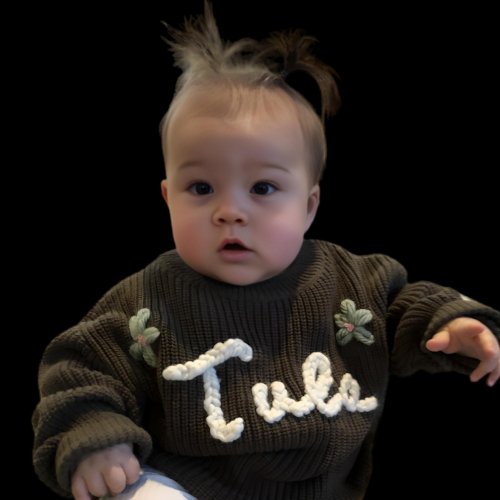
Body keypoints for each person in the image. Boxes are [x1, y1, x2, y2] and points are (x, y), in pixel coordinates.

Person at [31, 1, 500, 499]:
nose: (230, 212)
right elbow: (79, 370)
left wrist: (451, 324)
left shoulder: (351, 283)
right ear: (167, 198)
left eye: (262, 189)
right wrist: (94, 439)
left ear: (309, 205)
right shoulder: (147, 302)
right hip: (188, 486)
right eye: (201, 188)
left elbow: (406, 308)